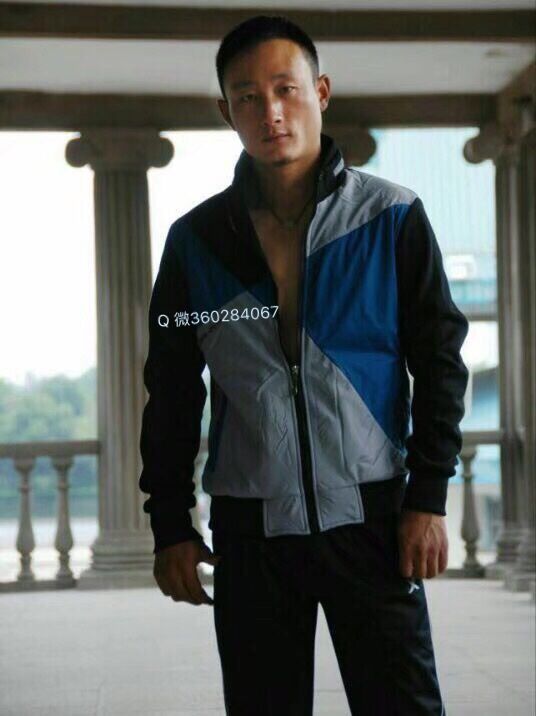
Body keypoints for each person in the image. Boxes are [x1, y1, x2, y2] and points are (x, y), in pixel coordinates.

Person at [138, 14, 469, 716]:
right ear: (226, 112)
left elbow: (440, 363)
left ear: (320, 92)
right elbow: (171, 390)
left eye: (285, 89)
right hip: (251, 532)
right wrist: (170, 522)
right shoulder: (195, 243)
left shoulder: (392, 218)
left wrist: (428, 497)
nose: (271, 111)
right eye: (248, 96)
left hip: (373, 521)